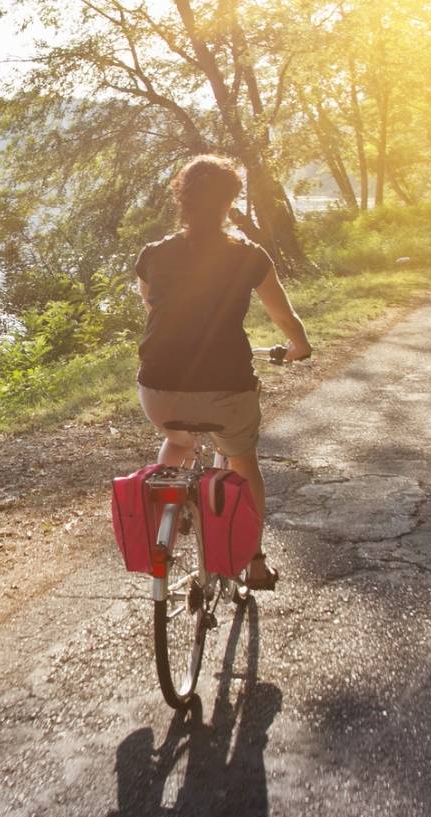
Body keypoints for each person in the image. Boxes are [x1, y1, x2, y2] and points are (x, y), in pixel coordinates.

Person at [134, 155, 311, 590]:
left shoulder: (153, 254)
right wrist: (300, 346)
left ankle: (164, 537)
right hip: (226, 388)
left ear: (182, 197)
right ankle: (253, 560)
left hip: (158, 389)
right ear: (230, 202)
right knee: (241, 458)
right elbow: (284, 317)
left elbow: (152, 307)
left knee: (176, 440)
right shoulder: (248, 255)